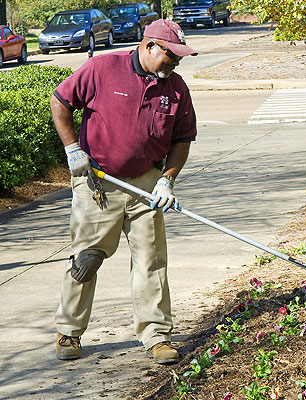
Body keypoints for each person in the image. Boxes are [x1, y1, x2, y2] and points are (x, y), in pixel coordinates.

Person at [50, 19, 198, 364]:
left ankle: (157, 336)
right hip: (98, 181)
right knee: (87, 259)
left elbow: (181, 140)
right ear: (149, 46)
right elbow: (60, 102)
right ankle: (69, 332)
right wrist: (73, 149)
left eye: (179, 57)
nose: (175, 62)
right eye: (170, 55)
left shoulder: (176, 88)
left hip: (146, 182)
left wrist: (167, 180)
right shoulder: (103, 68)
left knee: (151, 260)